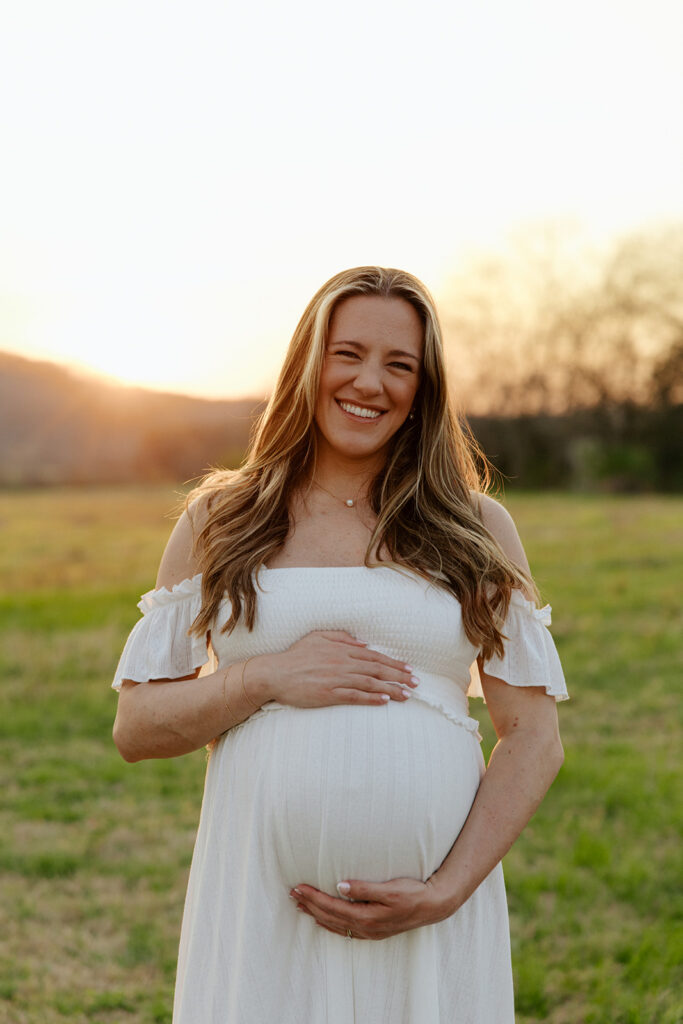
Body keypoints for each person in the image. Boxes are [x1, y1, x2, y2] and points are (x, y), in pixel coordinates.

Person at [112, 266, 568, 1023]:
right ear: (306, 364)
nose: (369, 382)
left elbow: (533, 737)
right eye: (347, 353)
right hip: (261, 902)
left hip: (428, 919)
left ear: (424, 389)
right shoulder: (221, 519)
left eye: (400, 365)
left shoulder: (476, 527)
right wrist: (262, 677)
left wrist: (444, 891)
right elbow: (136, 728)